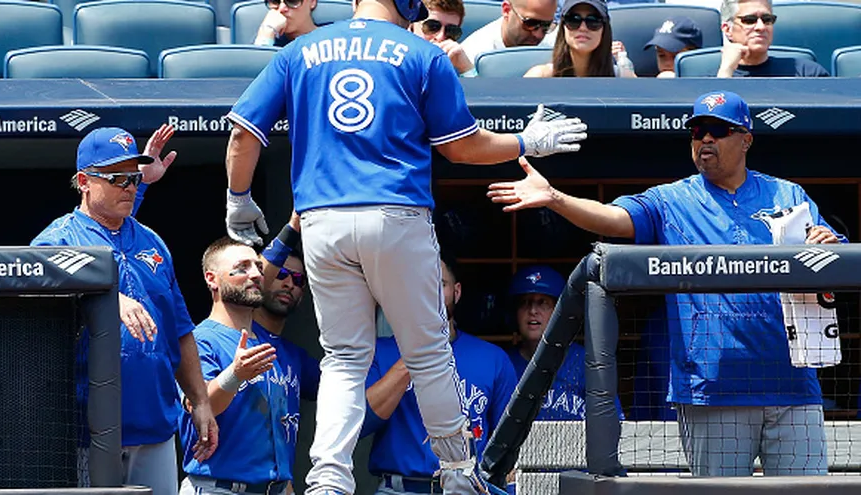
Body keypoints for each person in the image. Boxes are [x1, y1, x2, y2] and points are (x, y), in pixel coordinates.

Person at [222, 0, 588, 491]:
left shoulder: (299, 49)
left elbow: (244, 134)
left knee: (344, 357)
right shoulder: (421, 52)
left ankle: (329, 480)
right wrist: (525, 141)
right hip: (396, 213)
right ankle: (457, 470)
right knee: (429, 350)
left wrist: (238, 198)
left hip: (323, 218)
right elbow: (460, 147)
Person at [488, 90, 844, 476]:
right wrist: (555, 198)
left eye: (718, 130)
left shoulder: (787, 193)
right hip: (713, 390)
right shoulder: (672, 199)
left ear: (746, 139)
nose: (705, 139)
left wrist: (827, 244)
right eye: (697, 131)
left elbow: (832, 262)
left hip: (792, 384)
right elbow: (612, 219)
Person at [31, 127, 218, 495]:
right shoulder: (57, 239)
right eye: (117, 178)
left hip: (155, 425)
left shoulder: (152, 240)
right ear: (84, 181)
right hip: (89, 431)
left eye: (134, 177)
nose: (129, 187)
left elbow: (179, 329)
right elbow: (35, 326)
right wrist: (105, 297)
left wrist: (200, 401)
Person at [361, 254, 517, 494]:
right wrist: (415, 355)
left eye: (440, 284)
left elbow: (511, 447)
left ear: (457, 291)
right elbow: (361, 423)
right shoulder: (380, 352)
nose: (430, 293)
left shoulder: (493, 359)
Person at [179, 237, 288, 495]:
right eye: (242, 267)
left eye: (258, 268)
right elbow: (199, 406)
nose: (255, 274)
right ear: (212, 279)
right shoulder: (198, 339)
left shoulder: (265, 344)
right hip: (220, 488)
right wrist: (235, 375)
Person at [253, 215, 322, 484]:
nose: (289, 284)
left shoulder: (297, 358)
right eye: (281, 274)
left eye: (298, 280)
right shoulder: (230, 336)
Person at [506, 265, 623, 420]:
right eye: (525, 302)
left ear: (558, 311)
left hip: (577, 444)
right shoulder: (504, 364)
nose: (533, 310)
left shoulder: (586, 362)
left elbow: (612, 422)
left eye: (543, 303)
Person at [717, 0, 829, 77]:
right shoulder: (710, 80)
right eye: (749, 20)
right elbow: (715, 109)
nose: (761, 27)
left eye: (767, 19)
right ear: (727, 29)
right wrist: (726, 71)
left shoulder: (807, 73)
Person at [524, 0, 631, 78]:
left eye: (593, 21)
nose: (583, 28)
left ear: (604, 29)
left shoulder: (623, 78)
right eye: (574, 20)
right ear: (563, 27)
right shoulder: (540, 77)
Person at [460, 0, 559, 74]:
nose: (538, 34)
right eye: (531, 23)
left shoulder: (557, 42)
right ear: (507, 11)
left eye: (547, 25)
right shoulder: (473, 55)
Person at [410, 0, 473, 75]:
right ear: (411, 25)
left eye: (451, 30)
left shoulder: (455, 67)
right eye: (432, 26)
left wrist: (466, 69)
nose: (440, 37)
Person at [255, 0, 319, 47]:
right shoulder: (270, 39)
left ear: (312, 1)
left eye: (292, 1)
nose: (281, 8)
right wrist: (266, 36)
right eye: (275, 1)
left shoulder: (327, 38)